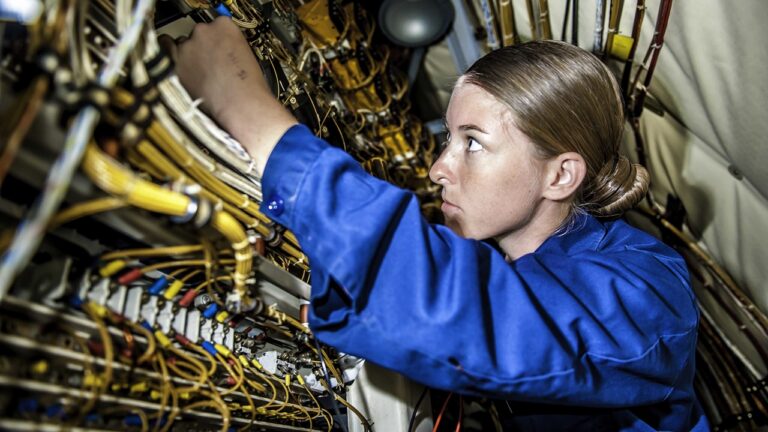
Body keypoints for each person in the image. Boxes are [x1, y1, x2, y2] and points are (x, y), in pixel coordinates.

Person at [162, 17, 709, 431]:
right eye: (449, 138)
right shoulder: (498, 254)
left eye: (473, 142)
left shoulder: (649, 288)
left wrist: (249, 112)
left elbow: (481, 316)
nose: (438, 168)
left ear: (561, 175)